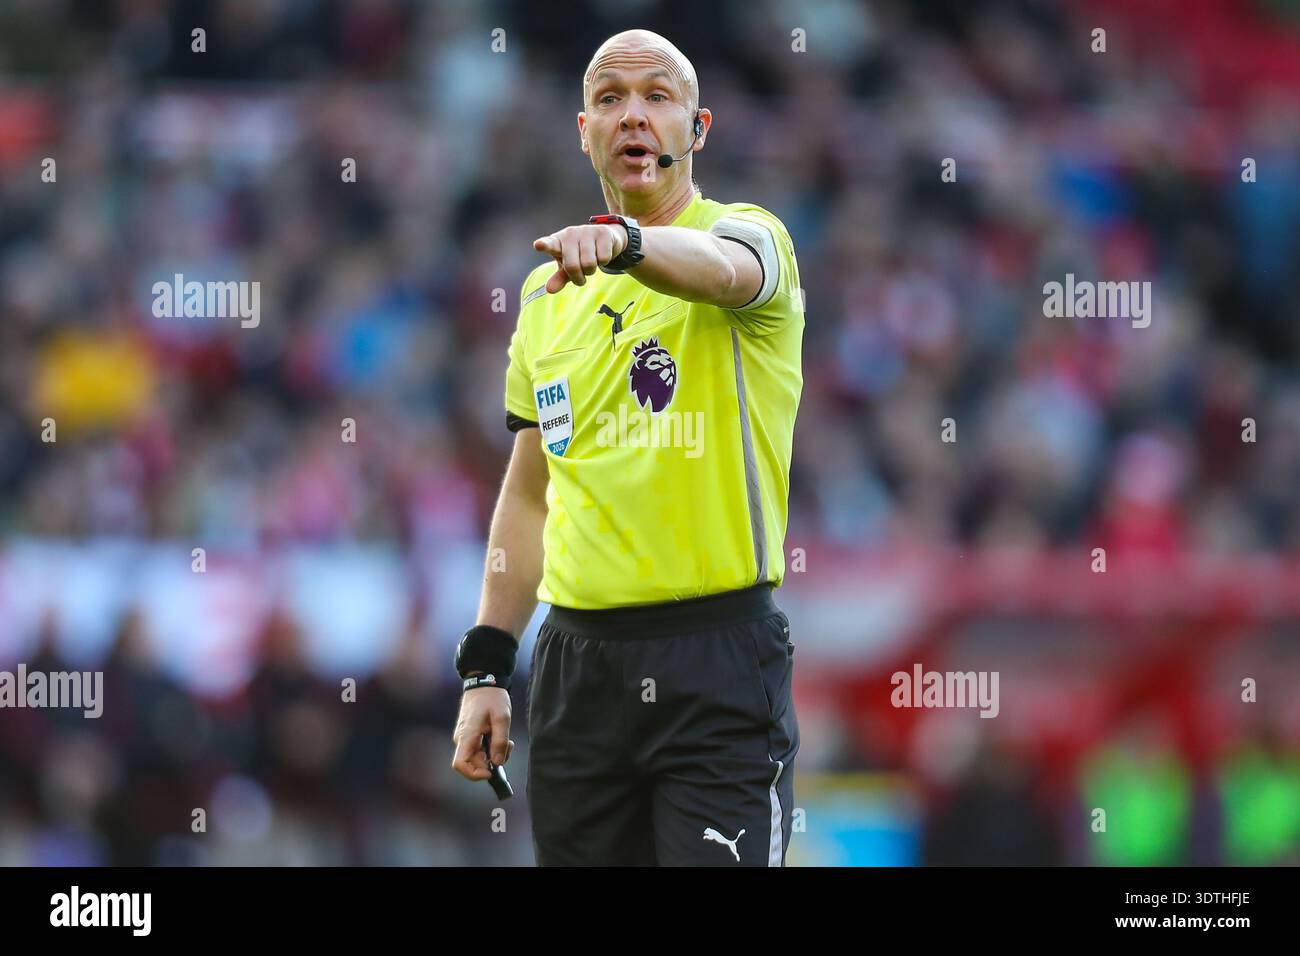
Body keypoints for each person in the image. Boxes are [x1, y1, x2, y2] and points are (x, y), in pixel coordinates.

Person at [451, 28, 804, 866]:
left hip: (717, 664)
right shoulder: (547, 295)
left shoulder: (752, 237)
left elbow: (724, 271)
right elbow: (531, 493)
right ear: (584, 131)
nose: (633, 115)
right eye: (611, 99)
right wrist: (488, 666)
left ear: (698, 126)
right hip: (578, 672)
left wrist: (628, 243)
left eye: (657, 96)